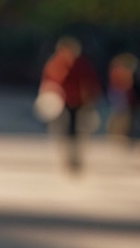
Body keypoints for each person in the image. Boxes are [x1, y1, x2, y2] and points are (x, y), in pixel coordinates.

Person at [38, 36, 102, 171]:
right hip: (62, 102)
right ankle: (70, 156)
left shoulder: (80, 63)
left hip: (79, 101)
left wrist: (92, 97)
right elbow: (51, 81)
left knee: (77, 130)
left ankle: (75, 156)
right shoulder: (57, 63)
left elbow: (90, 81)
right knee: (65, 129)